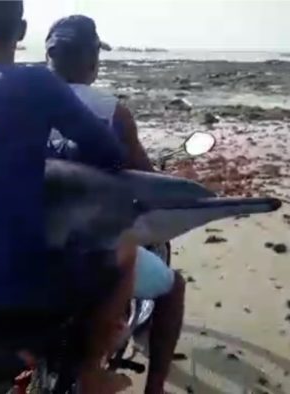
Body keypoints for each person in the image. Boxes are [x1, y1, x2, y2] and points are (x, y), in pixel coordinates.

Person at [0, 1, 135, 392]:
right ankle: (87, 372)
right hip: (21, 288)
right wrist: (61, 154)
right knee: (126, 251)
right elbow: (109, 154)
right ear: (21, 31)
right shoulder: (36, 83)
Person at [45, 15, 187, 394]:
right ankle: (154, 387)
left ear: (49, 59)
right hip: (88, 255)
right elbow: (143, 175)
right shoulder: (111, 112)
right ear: (93, 60)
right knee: (174, 288)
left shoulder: (17, 106)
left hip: (24, 244)